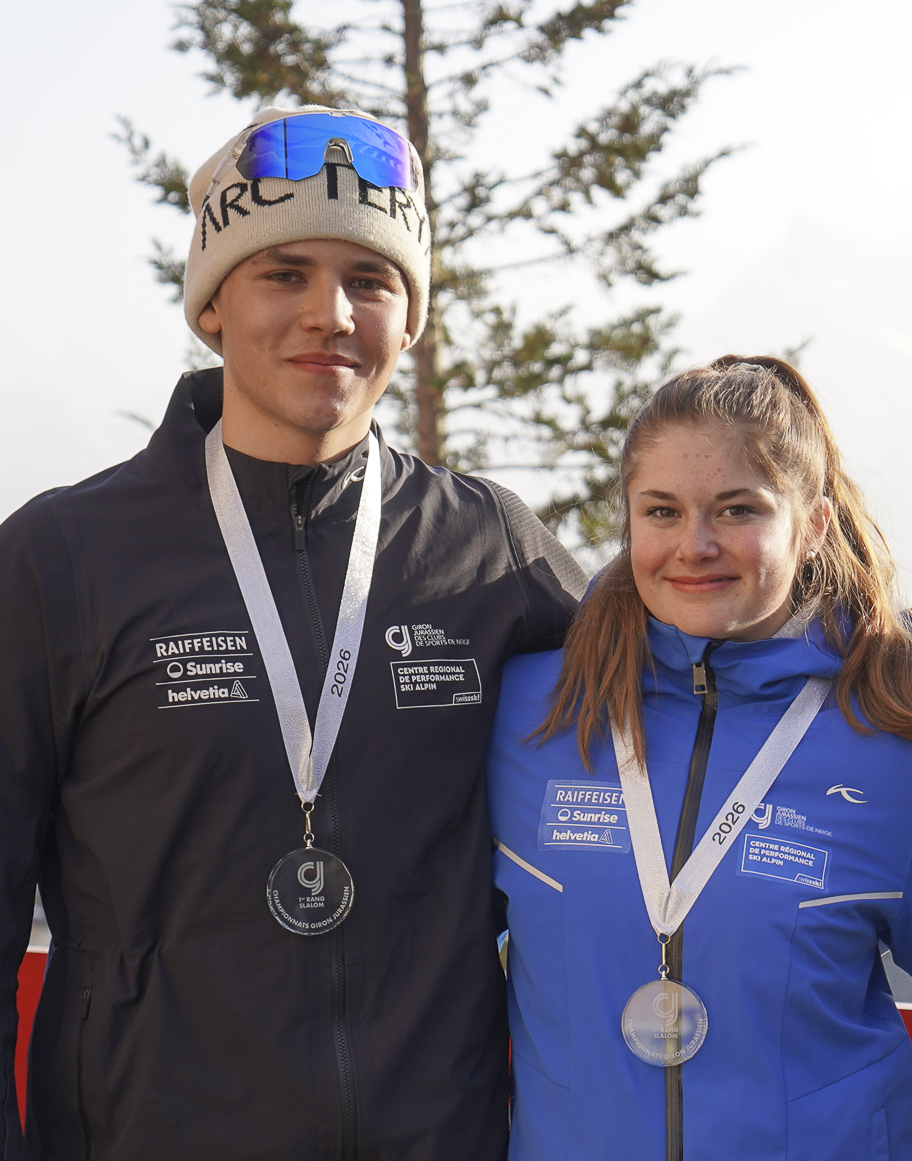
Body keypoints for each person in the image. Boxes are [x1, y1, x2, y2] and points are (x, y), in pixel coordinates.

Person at [0, 105, 586, 1160]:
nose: (330, 313)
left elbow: (685, 681)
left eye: (370, 280)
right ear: (213, 305)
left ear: (408, 317)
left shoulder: (490, 548)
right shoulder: (61, 557)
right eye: (284, 274)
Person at [488, 355, 912, 1161]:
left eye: (737, 510)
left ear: (814, 523)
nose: (696, 546)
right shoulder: (528, 714)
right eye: (661, 511)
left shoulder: (898, 743)